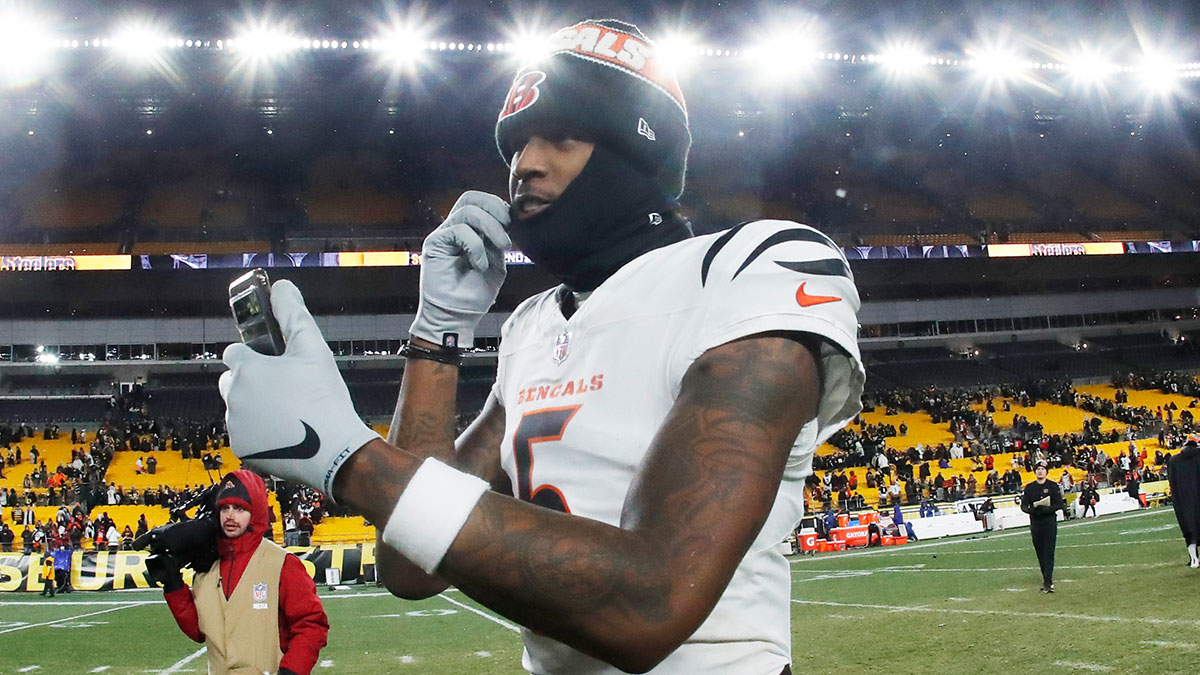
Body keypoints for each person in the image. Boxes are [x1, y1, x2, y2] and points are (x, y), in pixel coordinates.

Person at [219, 18, 864, 675]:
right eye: (518, 143)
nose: (525, 163)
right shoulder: (532, 324)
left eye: (560, 135)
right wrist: (437, 333)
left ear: (634, 149)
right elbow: (411, 562)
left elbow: (653, 601)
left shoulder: (755, 265)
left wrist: (343, 454)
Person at [149, 470, 329, 675]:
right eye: (224, 508)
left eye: (240, 508)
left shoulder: (282, 563)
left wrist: (292, 671)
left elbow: (312, 625)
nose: (230, 516)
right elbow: (200, 630)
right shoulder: (206, 566)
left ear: (257, 512)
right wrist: (173, 585)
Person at [1020, 459, 1068, 592]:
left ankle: (1048, 580)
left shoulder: (1053, 486)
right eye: (1038, 469)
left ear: (1046, 472)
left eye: (1042, 469)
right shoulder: (1029, 487)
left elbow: (1059, 504)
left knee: (1049, 551)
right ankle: (1045, 576)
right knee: (1040, 552)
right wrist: (1031, 510)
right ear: (1035, 471)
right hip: (1036, 523)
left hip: (1049, 521)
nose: (1040, 471)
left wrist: (1047, 509)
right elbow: (1023, 505)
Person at [1167, 434, 1200, 568]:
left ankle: (1194, 559)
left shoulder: (1174, 461)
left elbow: (1172, 482)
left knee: (1189, 530)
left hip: (1183, 500)